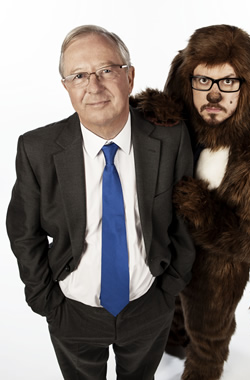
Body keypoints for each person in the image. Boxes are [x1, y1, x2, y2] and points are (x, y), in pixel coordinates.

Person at [6, 25, 195, 380]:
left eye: (107, 70)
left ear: (129, 76)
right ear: (67, 86)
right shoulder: (37, 149)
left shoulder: (170, 139)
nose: (93, 86)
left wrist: (169, 288)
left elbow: (186, 218)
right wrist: (45, 299)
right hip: (71, 311)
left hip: (148, 304)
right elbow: (22, 229)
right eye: (79, 75)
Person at [132, 25, 250, 380]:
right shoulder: (181, 127)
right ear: (187, 81)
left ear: (248, 87)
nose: (215, 95)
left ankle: (203, 369)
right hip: (169, 252)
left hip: (219, 270)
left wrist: (204, 211)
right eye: (203, 81)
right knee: (172, 310)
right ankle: (173, 345)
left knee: (209, 332)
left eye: (228, 82)